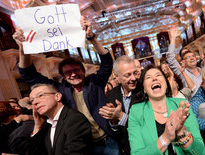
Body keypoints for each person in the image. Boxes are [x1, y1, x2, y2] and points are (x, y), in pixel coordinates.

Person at [13, 17, 120, 154]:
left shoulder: (95, 82)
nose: (73, 74)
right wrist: (23, 48)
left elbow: (106, 63)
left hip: (108, 140)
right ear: (63, 76)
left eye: (76, 70)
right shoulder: (60, 89)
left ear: (83, 71)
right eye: (68, 72)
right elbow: (28, 74)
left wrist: (92, 38)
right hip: (83, 145)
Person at [127, 65, 205, 154]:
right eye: (148, 77)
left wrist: (182, 133)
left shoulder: (181, 105)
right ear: (144, 89)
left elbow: (200, 152)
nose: (154, 79)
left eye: (158, 75)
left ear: (165, 84)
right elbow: (136, 153)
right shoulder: (136, 111)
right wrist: (166, 137)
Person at [28, 84, 93, 154]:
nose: (35, 102)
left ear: (57, 96)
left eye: (40, 95)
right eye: (32, 100)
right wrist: (37, 127)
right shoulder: (46, 124)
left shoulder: (75, 119)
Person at [100, 55, 141, 155]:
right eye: (128, 75)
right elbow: (113, 132)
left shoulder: (143, 92)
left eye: (135, 73)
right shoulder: (111, 95)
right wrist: (113, 122)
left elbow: (142, 125)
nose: (133, 78)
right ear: (117, 77)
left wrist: (120, 116)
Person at [166, 28, 201, 97]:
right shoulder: (182, 72)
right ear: (183, 61)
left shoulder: (202, 71)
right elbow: (170, 57)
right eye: (188, 57)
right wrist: (173, 39)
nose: (191, 58)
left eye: (193, 56)